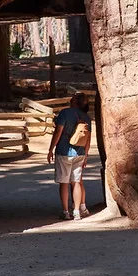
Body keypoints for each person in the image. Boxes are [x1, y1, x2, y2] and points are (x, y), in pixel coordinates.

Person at [47, 92, 92, 220]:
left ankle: (66, 211)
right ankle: (77, 211)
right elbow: (88, 139)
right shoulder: (86, 117)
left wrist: (51, 149)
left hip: (64, 152)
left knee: (64, 182)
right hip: (80, 153)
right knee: (76, 182)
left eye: (73, 98)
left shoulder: (65, 113)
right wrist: (86, 155)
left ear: (75, 101)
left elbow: (58, 132)